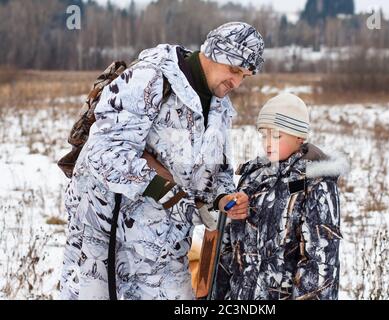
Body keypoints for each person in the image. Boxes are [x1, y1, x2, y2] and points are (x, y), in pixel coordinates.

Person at [60, 21, 264, 300]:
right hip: (105, 242)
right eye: (234, 70)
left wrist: (223, 199)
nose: (237, 82)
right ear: (214, 53)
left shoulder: (220, 109)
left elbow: (217, 174)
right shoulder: (151, 78)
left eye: (245, 76)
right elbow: (104, 153)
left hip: (165, 247)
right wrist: (167, 191)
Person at [213, 93, 349, 300]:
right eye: (264, 135)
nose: (268, 143)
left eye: (276, 136)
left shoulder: (316, 183)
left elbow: (319, 262)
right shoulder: (253, 178)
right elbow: (230, 247)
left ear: (299, 137)